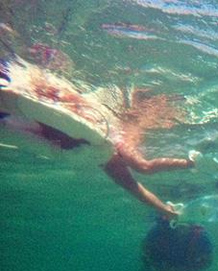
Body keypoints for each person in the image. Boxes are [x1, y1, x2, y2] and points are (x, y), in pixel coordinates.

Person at [0, 57, 194, 218]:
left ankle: (190, 163)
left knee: (143, 166)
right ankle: (168, 208)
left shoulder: (61, 102)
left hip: (108, 138)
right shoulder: (40, 109)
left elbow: (77, 110)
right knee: (134, 183)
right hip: (92, 148)